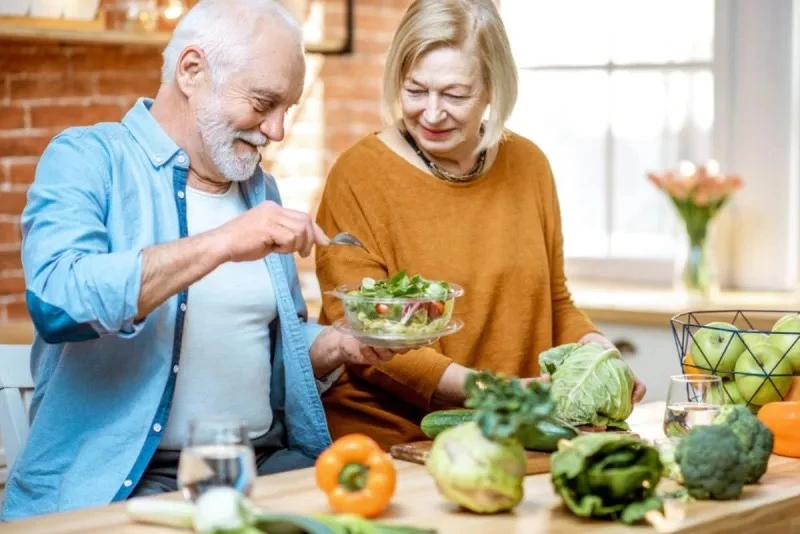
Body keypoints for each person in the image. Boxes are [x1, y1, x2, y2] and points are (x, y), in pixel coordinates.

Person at [2, 0, 394, 521]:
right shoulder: (88, 159)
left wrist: (335, 344)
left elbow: (261, 341)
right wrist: (222, 242)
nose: (276, 130)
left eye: (288, 110)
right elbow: (57, 302)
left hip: (265, 465)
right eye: (262, 102)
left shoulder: (259, 189)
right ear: (191, 70)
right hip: (131, 482)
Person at [314, 0, 646, 451]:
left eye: (454, 94)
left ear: (493, 88)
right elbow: (363, 333)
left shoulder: (528, 165)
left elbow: (553, 299)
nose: (431, 114)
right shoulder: (359, 175)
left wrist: (597, 355)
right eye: (415, 90)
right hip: (394, 442)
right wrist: (496, 391)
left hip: (511, 433)